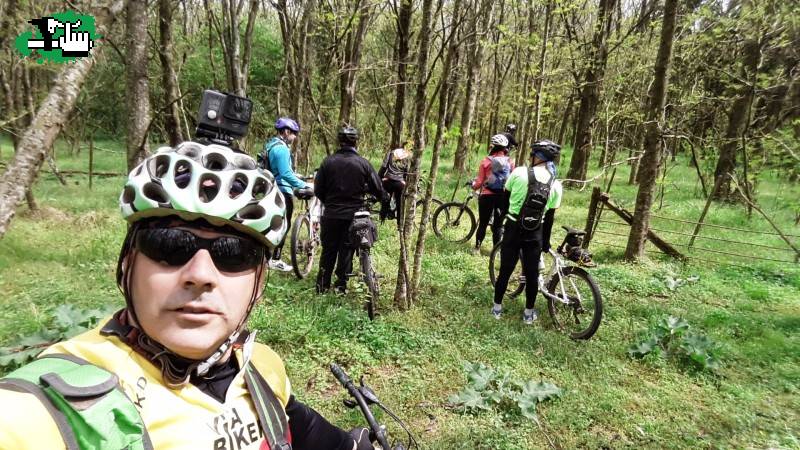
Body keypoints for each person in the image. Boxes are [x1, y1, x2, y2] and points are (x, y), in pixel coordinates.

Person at [0, 141, 371, 450]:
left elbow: (299, 424)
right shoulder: (53, 408)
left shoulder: (260, 366)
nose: (200, 275)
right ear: (128, 264)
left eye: (232, 254)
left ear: (259, 283)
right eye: (170, 246)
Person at [492, 140, 563, 325]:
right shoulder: (556, 184)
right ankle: (528, 314)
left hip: (513, 227)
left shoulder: (519, 172)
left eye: (532, 155)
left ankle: (497, 308)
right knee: (532, 274)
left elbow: (504, 200)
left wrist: (504, 219)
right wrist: (545, 243)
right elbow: (550, 218)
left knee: (506, 270)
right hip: (535, 232)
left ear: (537, 157)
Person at [314, 126, 384, 294]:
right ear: (356, 142)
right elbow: (378, 188)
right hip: (353, 216)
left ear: (340, 142)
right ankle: (340, 287)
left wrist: (329, 202)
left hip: (330, 214)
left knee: (328, 250)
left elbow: (318, 189)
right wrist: (384, 201)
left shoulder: (327, 162)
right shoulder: (363, 163)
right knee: (346, 250)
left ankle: (322, 286)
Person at [260, 117, 311, 272]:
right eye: (294, 134)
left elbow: (281, 170)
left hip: (271, 188)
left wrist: (298, 176)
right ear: (287, 131)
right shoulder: (282, 149)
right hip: (283, 191)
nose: (294, 137)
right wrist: (304, 185)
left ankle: (265, 257)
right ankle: (275, 259)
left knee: (272, 225)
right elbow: (285, 174)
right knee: (284, 226)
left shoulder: (271, 145)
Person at [471, 134, 515, 253]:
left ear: (493, 146)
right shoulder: (510, 162)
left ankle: (477, 248)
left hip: (487, 195)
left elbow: (479, 182)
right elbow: (512, 180)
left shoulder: (486, 161)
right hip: (502, 197)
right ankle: (496, 252)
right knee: (498, 225)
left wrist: (473, 186)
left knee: (483, 223)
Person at [378, 142, 411, 227]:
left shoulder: (391, 153)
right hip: (400, 184)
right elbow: (407, 172)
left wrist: (380, 178)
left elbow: (383, 168)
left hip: (388, 181)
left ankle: (382, 220)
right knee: (400, 203)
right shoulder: (408, 157)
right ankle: (399, 225)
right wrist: (404, 181)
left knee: (385, 200)